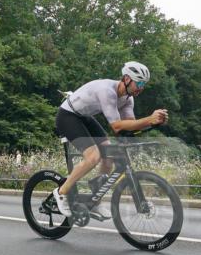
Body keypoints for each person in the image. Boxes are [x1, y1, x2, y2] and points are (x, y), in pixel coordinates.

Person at [52, 62, 167, 216]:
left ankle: (95, 201)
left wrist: (155, 123)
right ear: (126, 79)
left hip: (85, 117)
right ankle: (61, 192)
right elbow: (117, 127)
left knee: (109, 154)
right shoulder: (107, 91)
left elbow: (130, 127)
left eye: (143, 84)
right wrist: (149, 119)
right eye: (138, 83)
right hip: (68, 116)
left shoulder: (128, 99)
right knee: (93, 156)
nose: (141, 88)